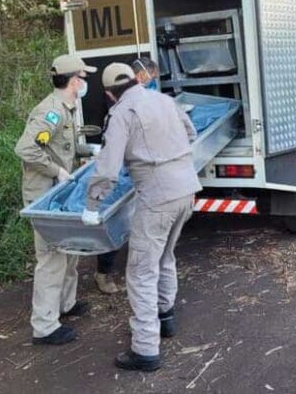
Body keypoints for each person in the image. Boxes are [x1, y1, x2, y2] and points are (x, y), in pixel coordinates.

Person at [81, 59, 200, 371]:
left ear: (109, 94)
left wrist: (92, 206)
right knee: (165, 257)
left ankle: (146, 349)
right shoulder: (164, 99)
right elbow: (191, 133)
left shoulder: (121, 113)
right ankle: (166, 317)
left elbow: (107, 168)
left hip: (157, 196)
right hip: (186, 189)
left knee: (140, 271)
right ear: (136, 80)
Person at [15, 54, 97, 346]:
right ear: (74, 80)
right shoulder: (51, 112)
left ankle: (66, 303)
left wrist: (90, 152)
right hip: (44, 194)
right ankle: (45, 326)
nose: (86, 82)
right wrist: (57, 171)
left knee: (70, 248)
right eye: (84, 77)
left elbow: (64, 146)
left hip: (59, 191)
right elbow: (26, 149)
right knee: (51, 257)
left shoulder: (67, 108)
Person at [92, 58, 161, 295]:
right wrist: (94, 200)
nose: (151, 81)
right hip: (120, 165)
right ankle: (104, 272)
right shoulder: (117, 104)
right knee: (116, 218)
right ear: (140, 75)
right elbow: (111, 152)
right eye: (150, 76)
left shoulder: (147, 99)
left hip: (138, 167)